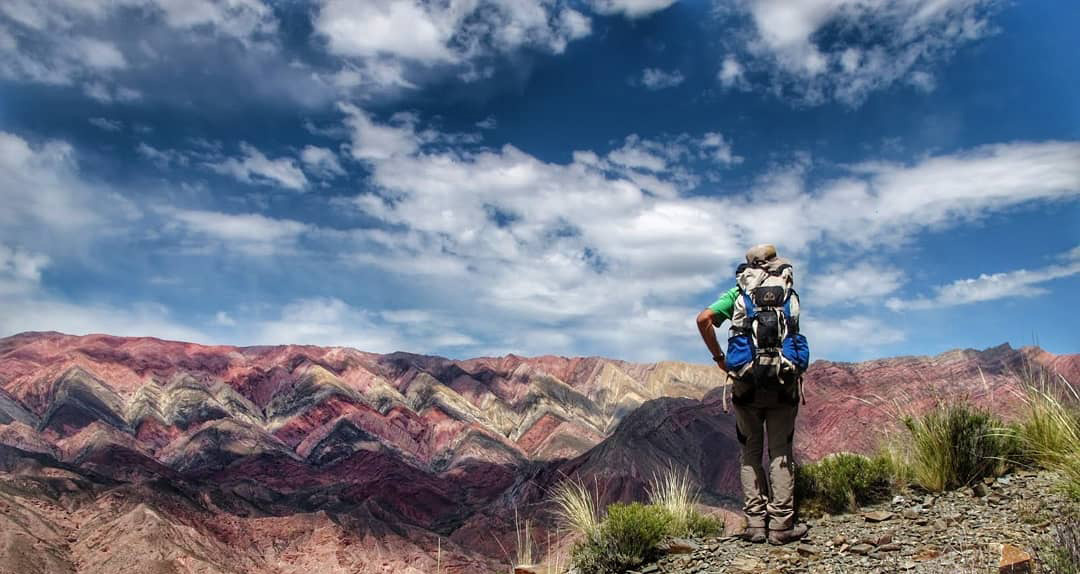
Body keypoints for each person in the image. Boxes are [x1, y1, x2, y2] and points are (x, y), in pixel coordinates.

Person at [696, 244, 808, 545]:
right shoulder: (787, 291)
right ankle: (782, 526)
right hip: (783, 380)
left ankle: (756, 524)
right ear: (775, 263)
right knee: (781, 451)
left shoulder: (737, 294)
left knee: (749, 452)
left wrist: (719, 357)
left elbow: (703, 319)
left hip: (746, 381)